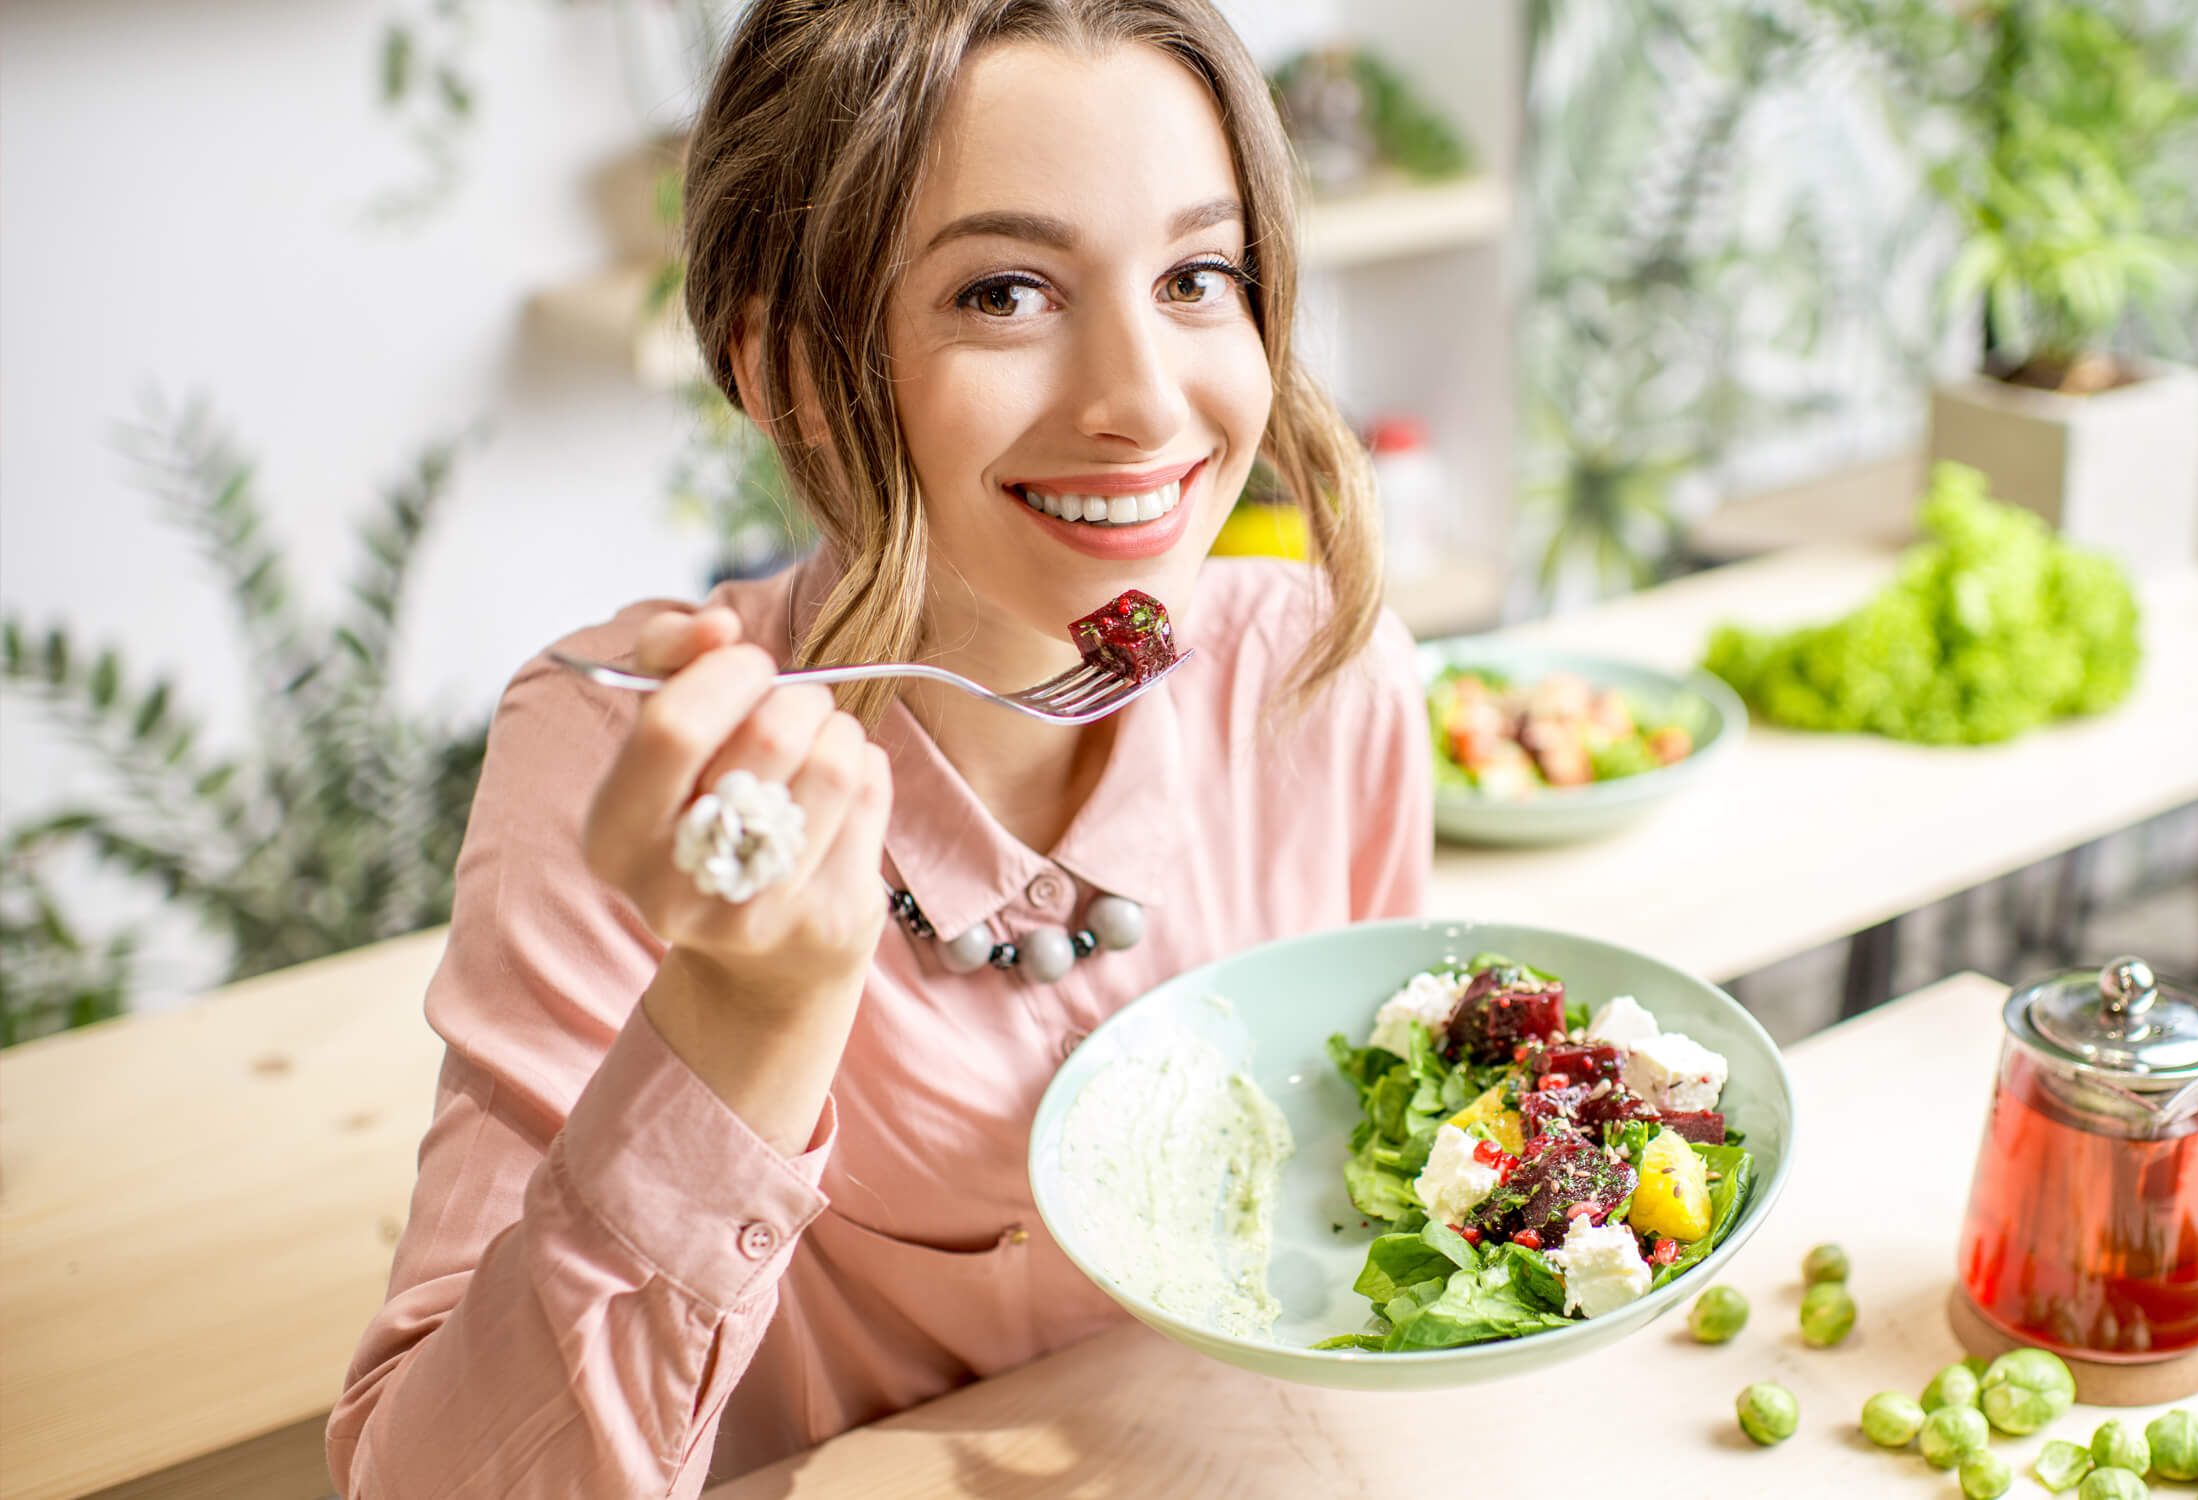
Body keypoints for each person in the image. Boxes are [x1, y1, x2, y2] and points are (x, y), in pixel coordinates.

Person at [326, 3, 1430, 1494]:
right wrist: (742, 1016)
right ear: (785, 370)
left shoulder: (1321, 679)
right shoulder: (625, 761)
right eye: (1005, 292)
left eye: (1196, 276)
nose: (1145, 405)